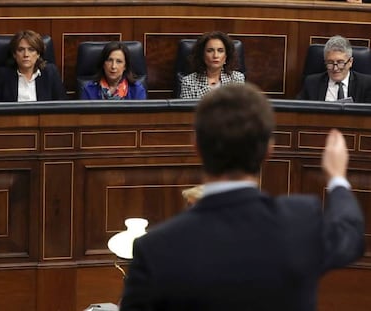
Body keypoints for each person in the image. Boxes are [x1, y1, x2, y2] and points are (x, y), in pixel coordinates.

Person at [120, 83, 364, 311]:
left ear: (196, 146)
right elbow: (350, 234)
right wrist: (337, 178)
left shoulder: (155, 250)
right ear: (269, 150)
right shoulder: (301, 221)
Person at [0, 29, 66, 102]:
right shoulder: (2, 75)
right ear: (14, 54)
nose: (26, 55)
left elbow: (62, 106)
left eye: (31, 50)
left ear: (38, 54)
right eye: (21, 50)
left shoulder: (51, 72)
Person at [298, 35, 371, 103]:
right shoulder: (311, 83)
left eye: (340, 63)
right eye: (330, 63)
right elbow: (298, 111)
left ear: (350, 62)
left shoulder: (366, 84)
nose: (335, 68)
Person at [179, 31, 245, 99]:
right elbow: (188, 109)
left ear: (226, 56)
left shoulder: (237, 79)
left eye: (220, 51)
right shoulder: (189, 82)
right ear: (202, 55)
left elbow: (240, 108)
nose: (215, 55)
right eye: (210, 51)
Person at [80, 41, 147, 100]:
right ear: (103, 64)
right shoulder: (89, 90)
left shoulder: (136, 90)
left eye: (119, 61)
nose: (113, 66)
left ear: (125, 66)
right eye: (109, 60)